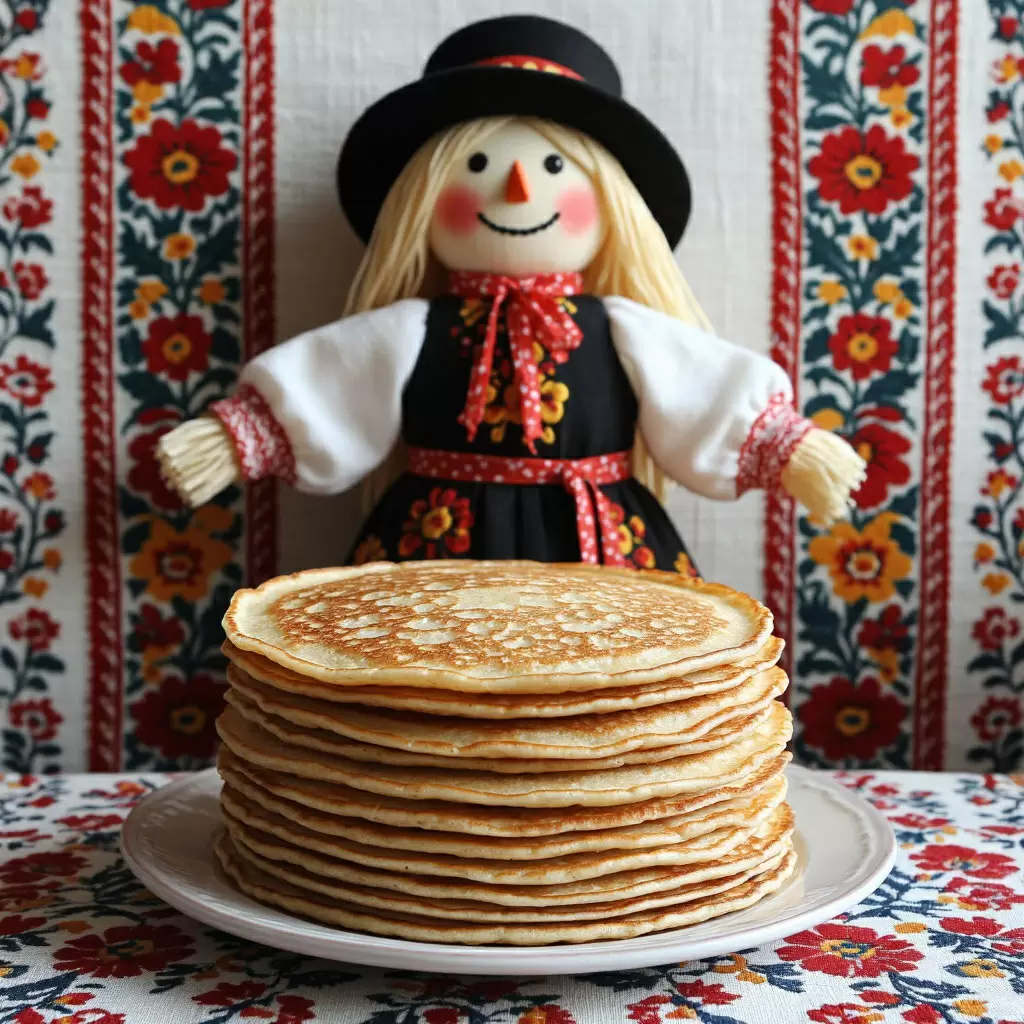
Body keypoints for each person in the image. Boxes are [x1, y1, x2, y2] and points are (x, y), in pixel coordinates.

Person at [158, 15, 865, 574]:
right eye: (477, 165)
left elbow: (701, 390)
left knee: (619, 685)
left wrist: (793, 451)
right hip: (436, 546)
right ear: (422, 200)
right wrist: (229, 440)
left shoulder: (623, 328)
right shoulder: (412, 330)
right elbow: (332, 385)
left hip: (596, 547)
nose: (520, 188)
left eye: (555, 168)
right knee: (420, 684)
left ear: (612, 206)